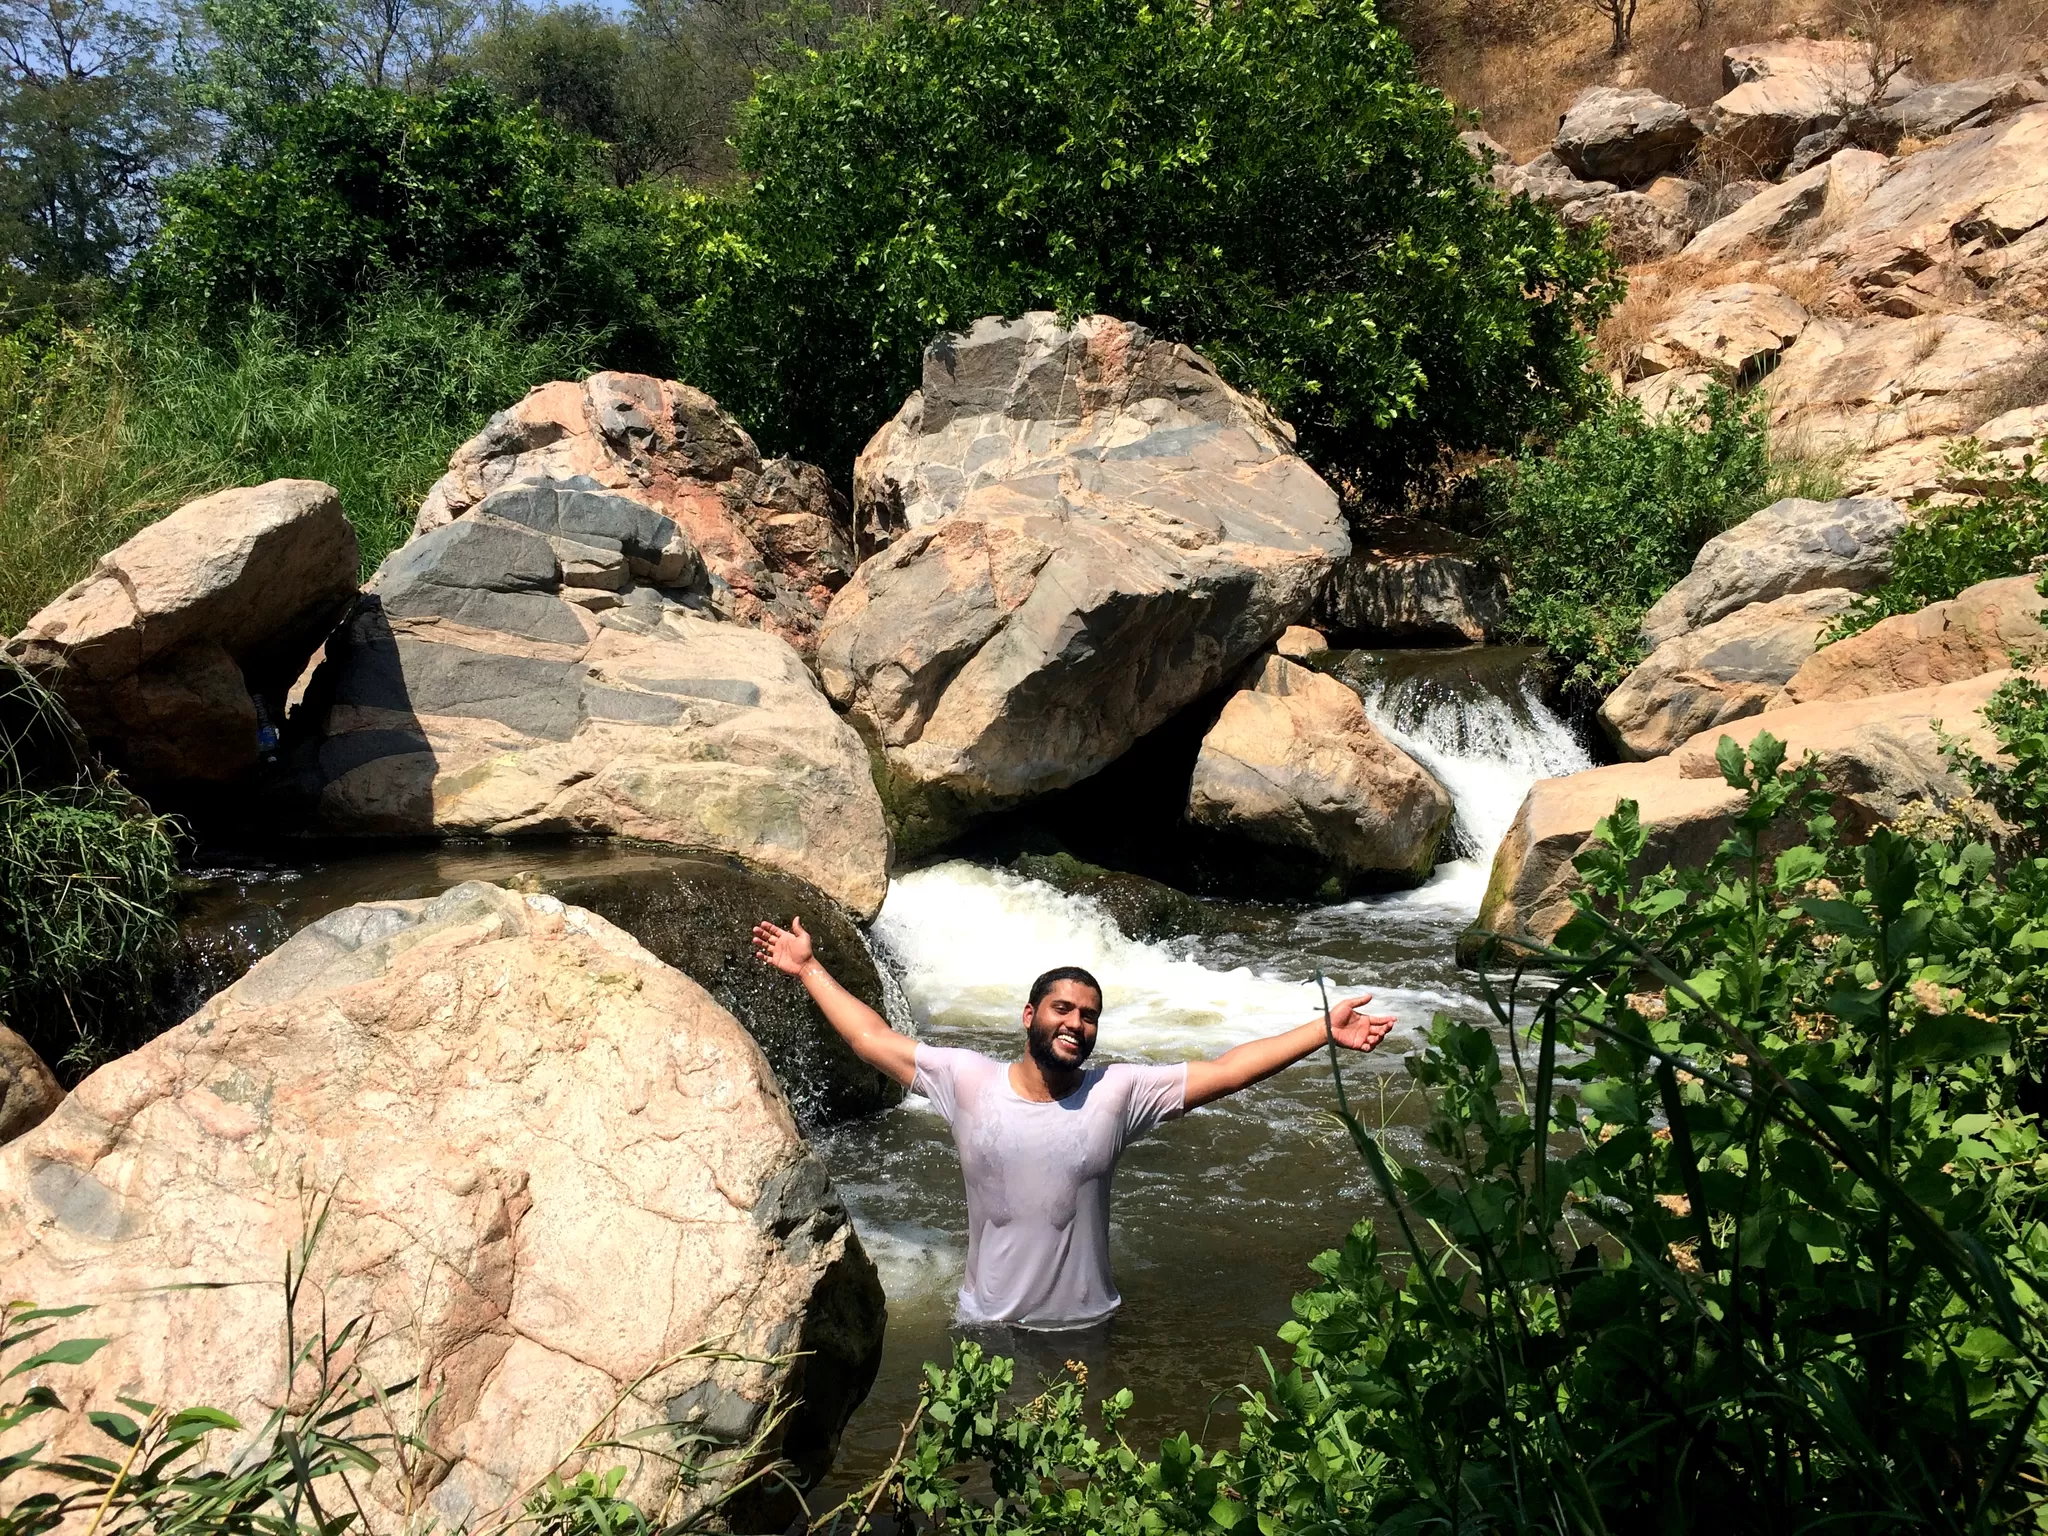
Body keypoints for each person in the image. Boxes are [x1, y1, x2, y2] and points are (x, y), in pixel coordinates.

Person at [751, 916, 1397, 1333]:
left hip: (1087, 1327)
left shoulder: (1117, 1093)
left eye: (1088, 1016)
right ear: (1029, 1014)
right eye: (1062, 1008)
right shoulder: (966, 1080)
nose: (1076, 1024)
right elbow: (871, 1038)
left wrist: (1323, 1030)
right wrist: (808, 967)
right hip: (987, 1326)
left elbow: (1228, 1070)